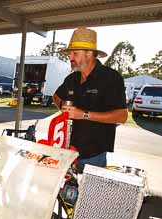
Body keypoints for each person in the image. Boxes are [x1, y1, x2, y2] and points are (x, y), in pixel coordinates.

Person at [53, 27, 128, 173]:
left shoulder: (110, 78)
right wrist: (63, 109)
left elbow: (122, 116)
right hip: (66, 152)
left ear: (89, 54)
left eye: (74, 53)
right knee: (65, 194)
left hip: (93, 156)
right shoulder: (71, 79)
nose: (70, 57)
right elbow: (56, 96)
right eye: (69, 54)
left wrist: (84, 114)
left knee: (89, 195)